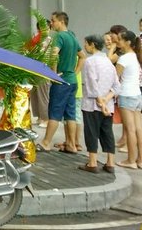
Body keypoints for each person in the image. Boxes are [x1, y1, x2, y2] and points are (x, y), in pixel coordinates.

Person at [39, 11, 85, 153]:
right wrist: (75, 72)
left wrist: (54, 74)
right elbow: (83, 57)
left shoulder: (59, 36)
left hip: (61, 82)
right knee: (70, 114)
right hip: (72, 82)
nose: (51, 23)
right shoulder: (72, 37)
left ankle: (46, 142)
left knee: (54, 113)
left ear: (61, 22)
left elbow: (54, 54)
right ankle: (71, 145)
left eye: (53, 21)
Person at [79, 34, 119, 173]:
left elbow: (91, 84)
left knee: (91, 132)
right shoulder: (108, 61)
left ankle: (92, 162)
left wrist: (100, 102)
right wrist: (106, 100)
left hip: (92, 105)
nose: (85, 46)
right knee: (107, 132)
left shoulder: (90, 62)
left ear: (92, 45)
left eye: (86, 43)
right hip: (108, 105)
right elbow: (116, 85)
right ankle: (110, 163)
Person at [115, 29, 142, 169]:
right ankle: (140, 160)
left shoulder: (124, 58)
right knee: (138, 129)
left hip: (126, 94)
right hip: (137, 94)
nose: (117, 42)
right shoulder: (136, 56)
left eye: (119, 39)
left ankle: (131, 160)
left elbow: (115, 78)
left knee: (130, 129)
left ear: (128, 42)